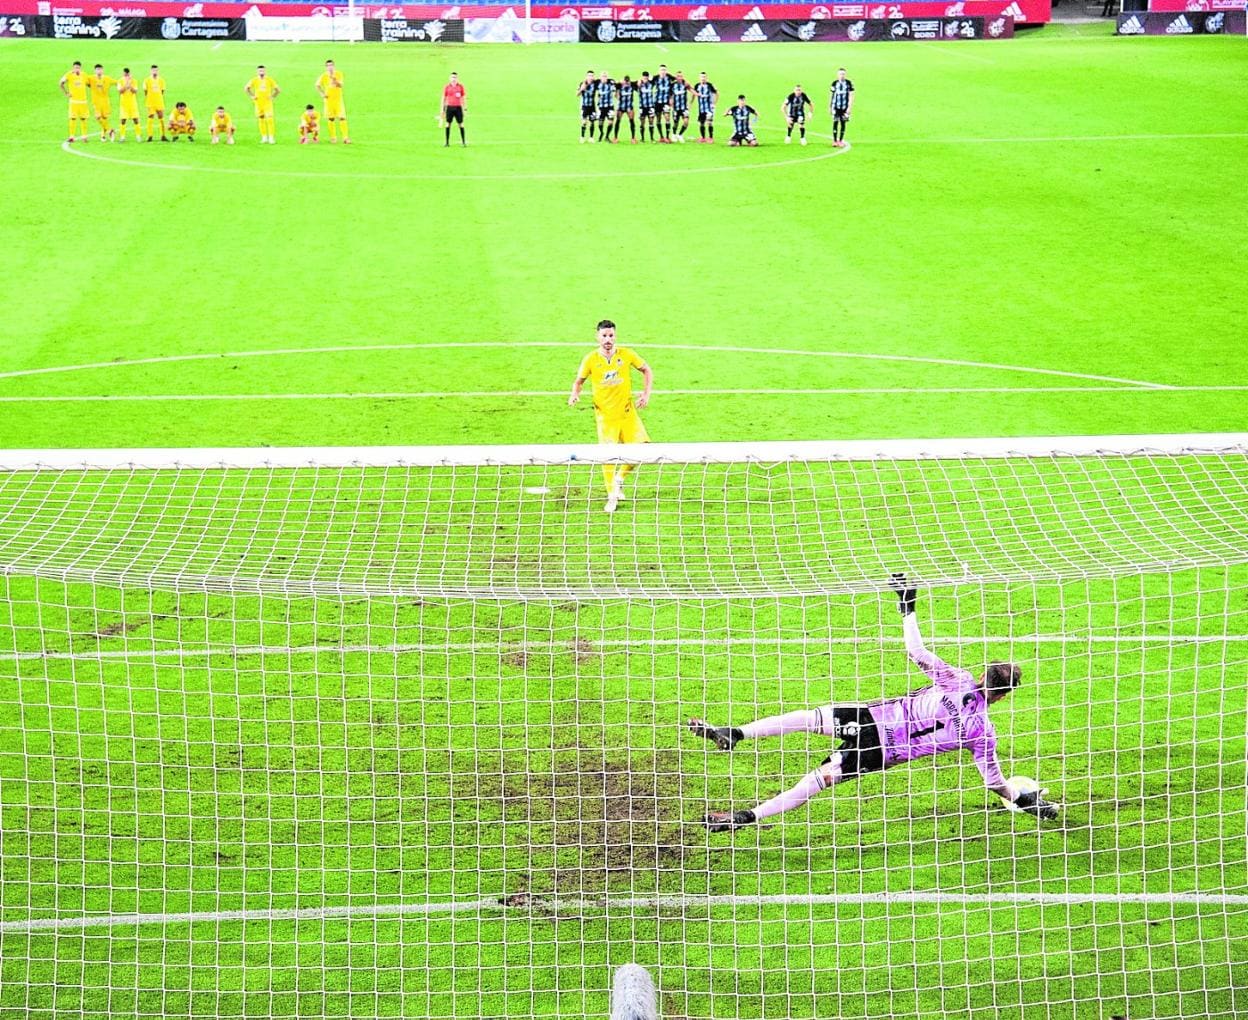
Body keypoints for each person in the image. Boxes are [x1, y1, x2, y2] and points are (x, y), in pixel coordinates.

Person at [690, 573, 1061, 831]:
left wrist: (907, 606)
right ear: (1004, 694)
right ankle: (747, 817)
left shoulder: (957, 679)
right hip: (882, 752)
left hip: (872, 718)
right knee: (815, 781)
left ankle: (736, 732)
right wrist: (1023, 800)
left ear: (984, 675)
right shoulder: (983, 733)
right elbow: (994, 780)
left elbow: (916, 651)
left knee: (806, 717)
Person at [567, 320, 654, 514]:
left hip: (627, 413)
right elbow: (579, 381)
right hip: (606, 417)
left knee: (642, 450)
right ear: (597, 337)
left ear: (615, 336)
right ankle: (611, 496)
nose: (608, 339)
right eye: (604, 336)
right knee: (608, 456)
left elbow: (647, 370)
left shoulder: (627, 354)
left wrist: (646, 394)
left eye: (611, 335)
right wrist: (575, 394)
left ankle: (620, 479)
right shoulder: (590, 359)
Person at [315, 59, 349, 143]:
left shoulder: (338, 74)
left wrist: (334, 79)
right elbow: (317, 85)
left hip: (338, 100)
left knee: (342, 117)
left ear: (334, 66)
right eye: (328, 66)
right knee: (331, 118)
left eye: (331, 65)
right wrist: (322, 94)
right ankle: (333, 137)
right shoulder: (323, 76)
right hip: (329, 100)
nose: (330, 67)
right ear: (326, 67)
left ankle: (345, 138)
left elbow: (340, 85)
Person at [245, 65, 280, 144]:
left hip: (267, 103)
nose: (261, 72)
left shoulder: (270, 80)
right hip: (258, 103)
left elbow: (278, 89)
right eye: (260, 71)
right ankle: (264, 137)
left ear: (265, 71)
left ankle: (271, 137)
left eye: (263, 71)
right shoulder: (254, 80)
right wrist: (252, 96)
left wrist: (273, 96)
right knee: (261, 119)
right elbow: (246, 88)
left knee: (270, 119)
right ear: (257, 71)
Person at [59, 61, 89, 143]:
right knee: (72, 118)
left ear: (81, 68)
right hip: (73, 101)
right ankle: (71, 137)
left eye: (78, 67)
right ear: (73, 68)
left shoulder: (84, 75)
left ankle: (84, 136)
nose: (77, 69)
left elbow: (89, 84)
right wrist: (66, 93)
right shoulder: (69, 75)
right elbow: (61, 83)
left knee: (83, 118)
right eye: (75, 67)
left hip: (83, 101)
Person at [87, 64, 116, 142]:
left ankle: (103, 136)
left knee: (104, 119)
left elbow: (117, 82)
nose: (99, 71)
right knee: (98, 117)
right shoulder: (91, 78)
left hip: (105, 102)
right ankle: (110, 130)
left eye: (100, 69)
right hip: (96, 102)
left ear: (103, 70)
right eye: (97, 69)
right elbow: (84, 82)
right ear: (95, 71)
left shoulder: (107, 78)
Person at [829, 67, 854, 148]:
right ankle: (835, 140)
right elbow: (831, 95)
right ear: (837, 75)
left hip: (844, 107)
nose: (842, 75)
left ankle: (840, 140)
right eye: (840, 74)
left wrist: (849, 107)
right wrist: (830, 106)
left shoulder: (849, 83)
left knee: (843, 123)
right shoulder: (834, 83)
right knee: (835, 122)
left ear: (845, 75)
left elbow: (851, 95)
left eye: (843, 74)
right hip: (836, 106)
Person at [143, 65, 167, 142]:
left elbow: (162, 91)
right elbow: (145, 91)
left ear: (158, 71)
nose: (155, 72)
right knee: (150, 117)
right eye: (153, 70)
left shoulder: (161, 80)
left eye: (156, 70)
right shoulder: (146, 80)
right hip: (150, 102)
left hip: (159, 102)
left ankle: (163, 136)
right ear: (151, 71)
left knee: (161, 117)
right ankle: (150, 136)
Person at [441, 71, 466, 147]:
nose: (453, 79)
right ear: (449, 78)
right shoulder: (447, 87)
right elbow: (443, 98)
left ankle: (463, 142)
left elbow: (463, 98)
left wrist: (465, 109)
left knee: (461, 124)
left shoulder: (460, 86)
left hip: (458, 108)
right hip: (449, 107)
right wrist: (442, 109)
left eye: (455, 77)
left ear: (457, 78)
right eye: (452, 77)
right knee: (448, 124)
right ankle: (447, 142)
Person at [116, 68, 141, 142]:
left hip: (132, 103)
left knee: (136, 119)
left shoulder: (134, 81)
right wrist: (127, 84)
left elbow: (135, 91)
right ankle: (122, 136)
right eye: (125, 74)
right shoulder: (120, 81)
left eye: (128, 74)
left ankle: (138, 136)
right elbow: (120, 91)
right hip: (124, 104)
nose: (126, 75)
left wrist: (130, 85)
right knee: (123, 120)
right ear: (123, 74)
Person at [694, 72, 718, 144]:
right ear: (699, 78)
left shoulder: (710, 85)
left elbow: (716, 93)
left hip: (709, 108)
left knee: (709, 122)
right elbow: (694, 94)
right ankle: (703, 137)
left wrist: (714, 103)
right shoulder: (697, 85)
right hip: (701, 108)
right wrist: (691, 103)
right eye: (701, 77)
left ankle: (710, 137)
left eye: (704, 77)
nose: (703, 78)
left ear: (706, 78)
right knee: (701, 123)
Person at [653, 64, 673, 143]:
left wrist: (672, 97)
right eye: (661, 70)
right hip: (657, 102)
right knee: (658, 119)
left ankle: (667, 137)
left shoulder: (670, 77)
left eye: (664, 69)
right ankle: (661, 137)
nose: (663, 71)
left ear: (666, 70)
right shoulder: (655, 78)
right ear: (659, 71)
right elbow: (647, 82)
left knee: (667, 118)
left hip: (666, 102)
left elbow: (679, 80)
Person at [614, 75, 637, 144]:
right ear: (623, 80)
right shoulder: (619, 85)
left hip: (629, 106)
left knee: (632, 121)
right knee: (618, 121)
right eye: (625, 81)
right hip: (621, 106)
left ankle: (633, 138)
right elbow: (615, 93)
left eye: (627, 81)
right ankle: (615, 137)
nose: (626, 83)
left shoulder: (632, 85)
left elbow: (638, 83)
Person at [669, 72, 691, 143]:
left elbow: (692, 90)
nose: (679, 78)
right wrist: (670, 101)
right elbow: (669, 94)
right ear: (676, 77)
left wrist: (691, 102)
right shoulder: (672, 85)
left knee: (686, 122)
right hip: (676, 107)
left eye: (681, 76)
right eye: (678, 76)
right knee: (676, 123)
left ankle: (680, 135)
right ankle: (674, 134)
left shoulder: (685, 84)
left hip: (684, 107)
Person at [594, 71, 615, 143]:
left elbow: (614, 89)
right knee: (600, 123)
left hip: (610, 106)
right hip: (601, 106)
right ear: (600, 77)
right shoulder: (597, 82)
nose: (604, 78)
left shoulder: (611, 82)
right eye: (603, 76)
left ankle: (607, 136)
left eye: (605, 76)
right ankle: (601, 133)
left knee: (610, 122)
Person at [636, 71, 657, 143]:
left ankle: (652, 138)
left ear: (648, 77)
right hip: (642, 106)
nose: (645, 79)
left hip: (651, 106)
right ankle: (642, 138)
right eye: (644, 77)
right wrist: (639, 81)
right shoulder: (638, 84)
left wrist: (651, 77)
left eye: (646, 77)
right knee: (642, 122)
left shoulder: (651, 83)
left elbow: (656, 77)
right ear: (642, 77)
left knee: (651, 122)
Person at [578, 70, 597, 143]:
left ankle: (591, 138)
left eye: (592, 76)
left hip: (592, 106)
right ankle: (582, 137)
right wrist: (581, 89)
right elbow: (577, 94)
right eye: (589, 75)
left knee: (592, 122)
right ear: (586, 76)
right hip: (584, 106)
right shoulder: (582, 84)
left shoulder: (595, 84)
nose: (590, 77)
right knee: (584, 122)